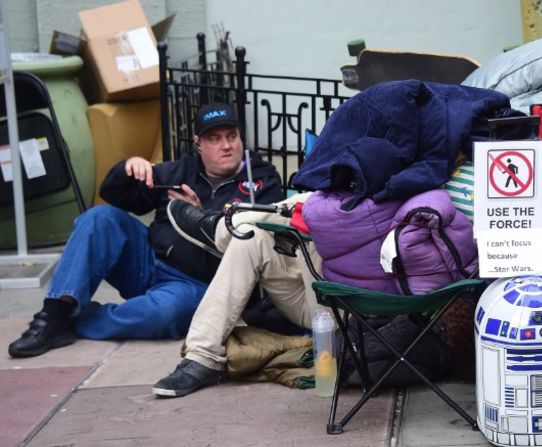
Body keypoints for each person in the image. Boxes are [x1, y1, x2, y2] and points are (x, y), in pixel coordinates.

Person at [7, 103, 283, 358]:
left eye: (232, 136)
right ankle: (53, 314)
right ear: (198, 144)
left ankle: (76, 320)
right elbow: (116, 195)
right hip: (149, 262)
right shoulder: (179, 171)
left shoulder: (262, 181)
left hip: (196, 283)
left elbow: (252, 244)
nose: (227, 146)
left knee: (167, 314)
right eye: (215, 138)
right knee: (99, 218)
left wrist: (198, 218)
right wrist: (127, 169)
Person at [152, 196, 325, 397]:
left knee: (317, 206)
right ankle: (202, 356)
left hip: (344, 308)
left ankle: (221, 227)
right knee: (249, 237)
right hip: (312, 281)